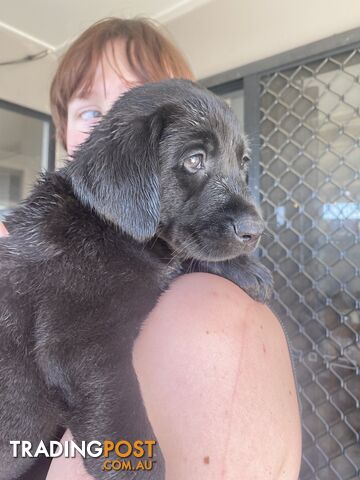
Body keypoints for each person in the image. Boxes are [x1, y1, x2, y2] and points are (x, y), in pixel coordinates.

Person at [1, 17, 302, 480]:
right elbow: (84, 358)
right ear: (63, 130)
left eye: (230, 162)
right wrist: (136, 465)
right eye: (90, 112)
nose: (110, 128)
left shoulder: (189, 290)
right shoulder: (58, 242)